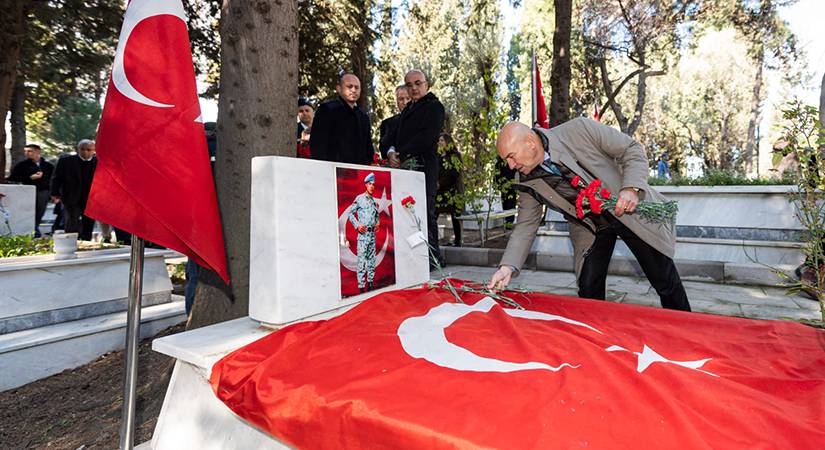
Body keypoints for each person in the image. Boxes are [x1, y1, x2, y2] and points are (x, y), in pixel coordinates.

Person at [487, 119, 690, 312]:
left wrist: (630, 188)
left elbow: (632, 149)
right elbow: (525, 226)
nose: (511, 165)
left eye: (512, 156)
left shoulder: (579, 129)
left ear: (530, 142)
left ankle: (688, 328)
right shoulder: (526, 180)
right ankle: (596, 340)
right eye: (506, 160)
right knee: (588, 290)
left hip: (626, 210)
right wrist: (507, 267)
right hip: (590, 228)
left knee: (664, 280)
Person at [388, 69, 446, 268]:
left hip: (424, 169)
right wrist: (392, 154)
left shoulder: (434, 106)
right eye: (409, 85)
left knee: (425, 215)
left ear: (426, 85)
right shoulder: (407, 110)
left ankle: (433, 258)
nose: (413, 88)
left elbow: (426, 136)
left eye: (417, 83)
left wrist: (401, 155)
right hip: (405, 171)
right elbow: (396, 137)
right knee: (408, 215)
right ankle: (415, 256)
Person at [310, 74, 373, 165]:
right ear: (339, 88)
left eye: (357, 87)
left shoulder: (363, 116)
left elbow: (368, 148)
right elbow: (318, 144)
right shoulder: (327, 110)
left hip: (360, 173)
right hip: (333, 171)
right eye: (349, 86)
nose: (353, 90)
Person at [50, 139, 98, 241]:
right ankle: (71, 242)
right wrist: (55, 193)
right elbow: (57, 177)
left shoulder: (99, 162)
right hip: (71, 196)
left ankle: (86, 241)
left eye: (89, 150)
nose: (85, 152)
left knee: (88, 222)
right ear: (78, 149)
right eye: (83, 149)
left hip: (92, 198)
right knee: (72, 220)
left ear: (93, 150)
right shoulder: (66, 161)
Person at [7, 144, 55, 237]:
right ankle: (33, 231)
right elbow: (12, 177)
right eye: (25, 151)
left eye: (30, 151)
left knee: (40, 211)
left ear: (38, 152)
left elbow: (53, 179)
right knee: (29, 212)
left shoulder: (48, 166)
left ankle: (35, 228)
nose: (27, 153)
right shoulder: (22, 165)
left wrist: (53, 193)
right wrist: (30, 178)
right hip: (27, 192)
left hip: (43, 192)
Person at [348, 172, 380, 293]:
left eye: (374, 184)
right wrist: (357, 225)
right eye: (370, 184)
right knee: (361, 262)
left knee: (371, 261)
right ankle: (361, 287)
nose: (372, 186)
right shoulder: (360, 199)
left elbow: (376, 215)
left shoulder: (374, 202)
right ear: (366, 185)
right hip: (363, 235)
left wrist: (377, 223)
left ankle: (370, 284)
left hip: (372, 235)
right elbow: (350, 213)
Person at [436, 133, 464, 247]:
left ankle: (458, 240)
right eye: (439, 140)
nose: (440, 142)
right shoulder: (437, 156)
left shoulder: (455, 156)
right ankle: (431, 239)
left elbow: (455, 173)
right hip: (439, 191)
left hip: (453, 191)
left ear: (448, 142)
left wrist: (441, 183)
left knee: (455, 216)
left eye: (442, 140)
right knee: (434, 213)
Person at [379, 85, 411, 158]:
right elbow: (384, 147)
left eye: (408, 98)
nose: (405, 102)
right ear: (396, 100)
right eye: (401, 99)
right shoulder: (387, 124)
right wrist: (391, 153)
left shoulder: (421, 121)